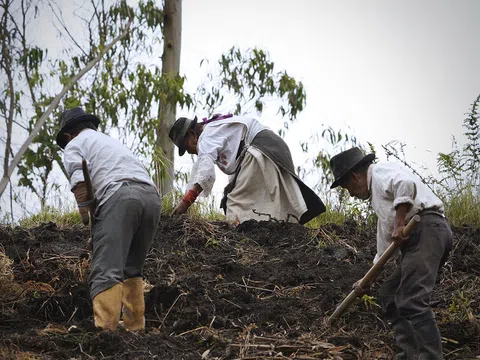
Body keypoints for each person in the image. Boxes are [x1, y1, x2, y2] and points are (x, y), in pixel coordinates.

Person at [329, 147, 452, 359]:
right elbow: (384, 250)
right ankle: (410, 353)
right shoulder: (380, 201)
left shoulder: (379, 173)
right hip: (418, 239)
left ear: (355, 177)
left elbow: (405, 185)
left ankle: (431, 356)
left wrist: (399, 223)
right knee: (389, 295)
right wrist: (365, 281)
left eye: (346, 187)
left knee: (411, 298)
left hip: (427, 229)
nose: (349, 194)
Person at [56, 107, 162, 331]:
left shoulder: (75, 144)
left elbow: (79, 178)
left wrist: (84, 211)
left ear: (68, 135)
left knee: (106, 269)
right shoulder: (109, 142)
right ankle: (135, 328)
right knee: (132, 268)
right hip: (151, 198)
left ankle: (105, 331)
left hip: (120, 197)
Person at [168, 114, 325, 224]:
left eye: (185, 145)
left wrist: (185, 202)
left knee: (234, 203)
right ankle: (277, 227)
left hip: (261, 150)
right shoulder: (213, 129)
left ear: (192, 134)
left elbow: (205, 173)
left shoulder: (205, 137)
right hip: (273, 148)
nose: (189, 151)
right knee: (247, 196)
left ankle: (242, 238)